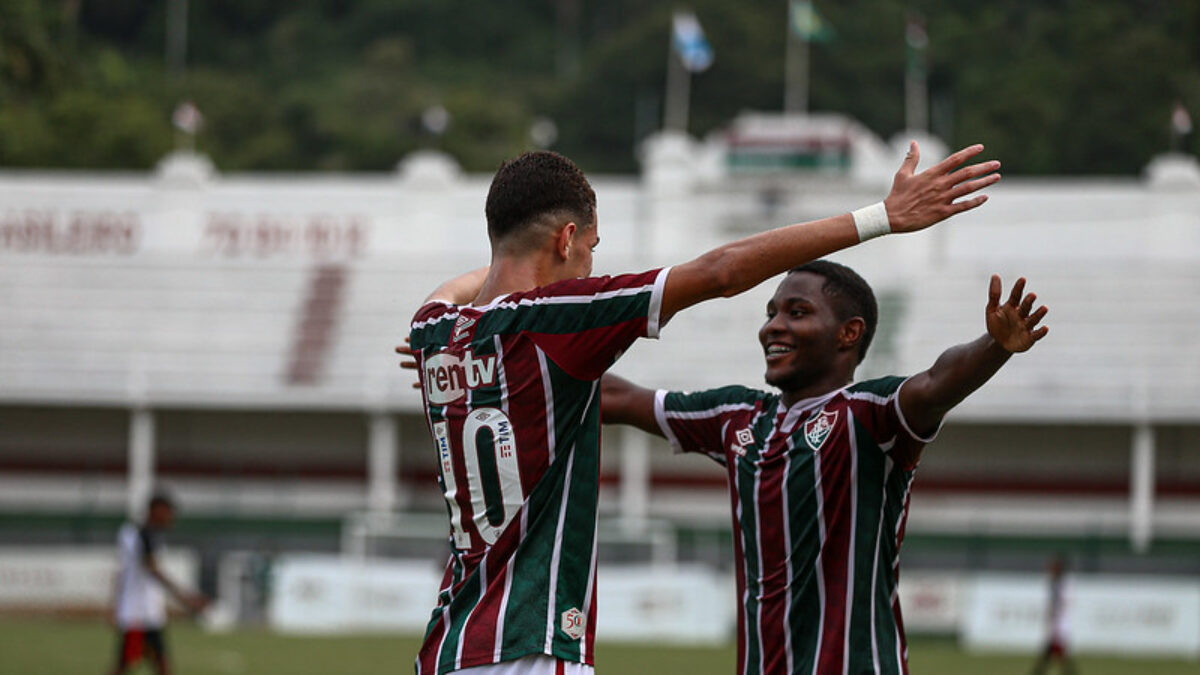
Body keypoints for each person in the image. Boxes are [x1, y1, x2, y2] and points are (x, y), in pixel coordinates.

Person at [404, 144, 1000, 675]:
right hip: (528, 645)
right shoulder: (558, 316)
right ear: (565, 239)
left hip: (448, 644)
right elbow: (721, 272)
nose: (589, 265)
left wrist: (500, 269)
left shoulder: (432, 332)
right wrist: (882, 217)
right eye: (589, 248)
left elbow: (453, 293)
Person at [601, 261, 1049, 674]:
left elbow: (935, 384)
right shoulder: (737, 417)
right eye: (771, 312)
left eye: (797, 313)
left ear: (848, 333)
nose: (773, 326)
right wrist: (541, 354)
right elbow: (620, 398)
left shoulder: (868, 415)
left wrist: (995, 347)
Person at [110, 492, 207, 675]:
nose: (171, 517)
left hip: (148, 615)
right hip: (137, 616)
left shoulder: (145, 535)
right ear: (156, 510)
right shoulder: (141, 535)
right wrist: (184, 597)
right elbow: (152, 570)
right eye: (168, 512)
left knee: (159, 667)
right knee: (126, 666)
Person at [1031, 555, 1076, 675]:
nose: (1051, 570)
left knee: (1054, 652)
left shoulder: (1063, 584)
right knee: (1054, 652)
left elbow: (1063, 602)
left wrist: (1054, 615)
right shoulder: (1054, 583)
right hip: (1057, 623)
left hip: (1060, 623)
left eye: (1053, 568)